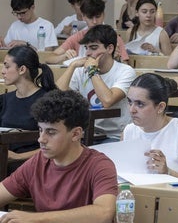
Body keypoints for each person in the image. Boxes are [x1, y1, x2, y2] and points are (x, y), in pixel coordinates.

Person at [0, 89, 117, 222]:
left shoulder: (99, 165)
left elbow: (104, 212)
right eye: (40, 130)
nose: (41, 139)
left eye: (51, 132)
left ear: (76, 134)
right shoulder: (37, 163)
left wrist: (36, 219)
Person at [57, 24, 136, 141]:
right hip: (86, 132)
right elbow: (57, 96)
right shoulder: (80, 70)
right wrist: (72, 66)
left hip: (115, 135)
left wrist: (93, 71)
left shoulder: (125, 71)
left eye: (93, 48)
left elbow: (107, 100)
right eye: (86, 48)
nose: (88, 53)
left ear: (110, 48)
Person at [122, 73, 178, 180]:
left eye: (140, 104)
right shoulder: (128, 132)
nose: (132, 110)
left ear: (160, 107)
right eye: (129, 102)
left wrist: (168, 172)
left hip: (175, 195)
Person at [0, 45, 57, 173]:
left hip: (33, 163)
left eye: (7, 66)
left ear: (22, 69)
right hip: (4, 159)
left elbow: (57, 145)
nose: (3, 71)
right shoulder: (4, 99)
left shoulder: (47, 100)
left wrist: (17, 157)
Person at [46, 0, 129, 64]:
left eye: (97, 16)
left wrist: (118, 59)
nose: (94, 21)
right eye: (90, 17)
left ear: (103, 15)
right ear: (83, 17)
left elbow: (126, 65)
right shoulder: (78, 36)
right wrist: (64, 56)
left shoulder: (114, 37)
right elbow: (49, 58)